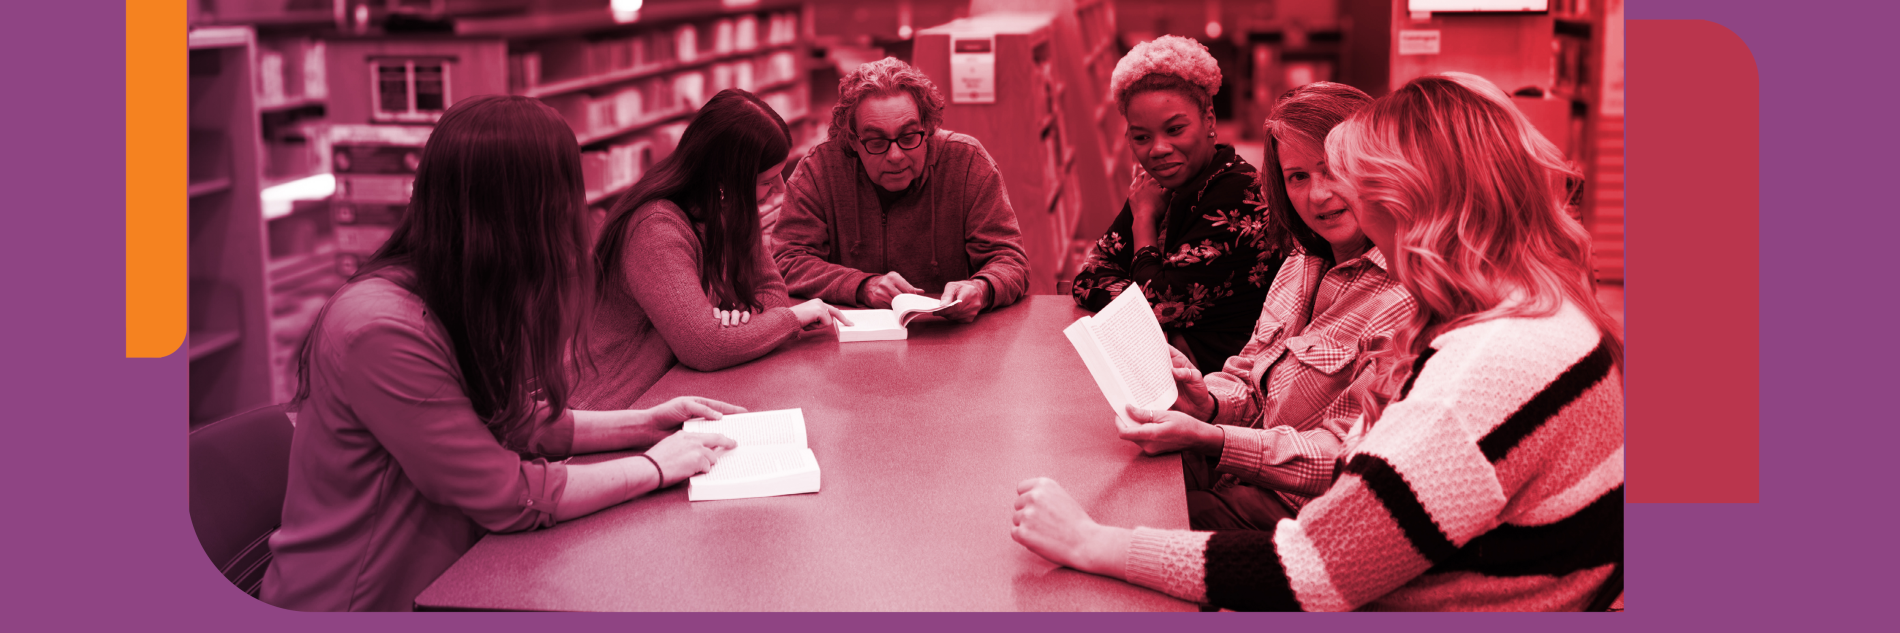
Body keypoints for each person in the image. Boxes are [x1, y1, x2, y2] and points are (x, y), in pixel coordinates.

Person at [1011, 74, 1625, 611]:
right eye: (1303, 176)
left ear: (1409, 198)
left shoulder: (1486, 365)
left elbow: (1314, 571)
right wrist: (1211, 408)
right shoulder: (1529, 308)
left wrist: (1095, 543)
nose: (1335, 197)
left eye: (1357, 178)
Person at [262, 96, 747, 611]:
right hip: (362, 599)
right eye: (563, 199)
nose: (573, 220)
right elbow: (505, 495)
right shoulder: (380, 330)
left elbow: (509, 423)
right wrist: (654, 468)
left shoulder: (454, 290)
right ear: (519, 212)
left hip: (452, 573)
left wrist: (647, 424)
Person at [1116, 81, 1416, 530]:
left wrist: (1216, 439)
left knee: (1136, 521)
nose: (1317, 195)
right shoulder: (1301, 260)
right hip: (1239, 477)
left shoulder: (1405, 295)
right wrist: (1207, 401)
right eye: (1298, 177)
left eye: (1334, 170)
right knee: (1111, 475)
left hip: (1302, 516)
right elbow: (1253, 378)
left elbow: (1349, 453)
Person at [575, 89, 850, 409]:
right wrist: (792, 319)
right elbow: (705, 347)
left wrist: (728, 322)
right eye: (767, 180)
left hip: (678, 388)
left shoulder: (730, 212)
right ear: (724, 181)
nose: (781, 188)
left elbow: (772, 296)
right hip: (620, 402)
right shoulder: (654, 229)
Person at [1071, 35, 1282, 374]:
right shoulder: (1158, 186)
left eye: (1175, 129)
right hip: (1163, 369)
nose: (1158, 149)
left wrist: (1142, 222)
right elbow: (1089, 275)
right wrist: (1158, 312)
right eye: (1142, 137)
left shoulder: (1241, 197)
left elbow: (1155, 303)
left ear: (1209, 120)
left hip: (1223, 387)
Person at [772, 57, 1029, 322]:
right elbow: (788, 260)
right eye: (876, 141)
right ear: (852, 139)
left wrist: (982, 288)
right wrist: (862, 286)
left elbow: (1010, 260)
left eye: (908, 138)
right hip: (848, 339)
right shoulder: (820, 169)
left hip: (947, 335)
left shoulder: (967, 162)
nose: (895, 155)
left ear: (927, 128)